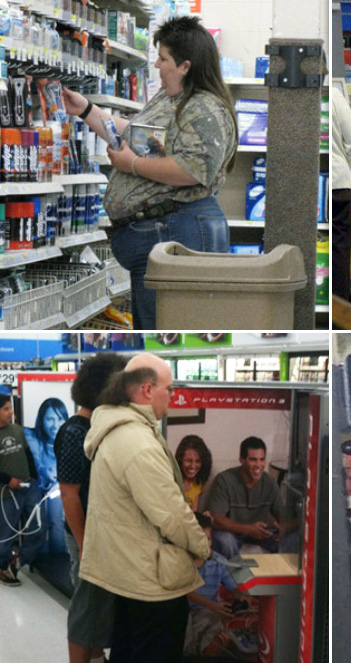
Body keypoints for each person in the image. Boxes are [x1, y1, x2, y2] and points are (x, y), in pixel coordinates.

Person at [62, 16, 238, 330]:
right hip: (166, 230)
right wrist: (87, 110)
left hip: (179, 229)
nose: (156, 64)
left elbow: (193, 169)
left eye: (163, 58)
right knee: (156, 324)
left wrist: (131, 165)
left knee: (169, 327)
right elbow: (137, 137)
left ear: (185, 65)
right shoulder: (174, 99)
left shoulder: (203, 107)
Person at [79, 354, 210, 663]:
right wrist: (202, 546)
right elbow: (171, 513)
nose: (173, 396)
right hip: (151, 581)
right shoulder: (137, 442)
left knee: (128, 649)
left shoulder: (121, 428)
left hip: (129, 570)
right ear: (147, 390)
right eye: (170, 389)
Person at [55, 353, 128, 663]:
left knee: (96, 605)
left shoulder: (94, 426)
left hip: (98, 532)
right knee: (85, 606)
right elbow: (69, 494)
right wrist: (85, 543)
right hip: (86, 535)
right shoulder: (75, 431)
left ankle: (96, 656)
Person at [184, 512, 256, 658]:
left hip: (208, 611)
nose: (206, 544)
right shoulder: (181, 560)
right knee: (185, 633)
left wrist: (240, 596)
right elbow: (186, 593)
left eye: (209, 539)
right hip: (183, 608)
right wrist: (212, 605)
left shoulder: (218, 560)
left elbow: (233, 587)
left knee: (211, 623)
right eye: (200, 540)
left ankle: (212, 646)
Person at [207, 437, 282, 559]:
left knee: (287, 541)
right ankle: (232, 577)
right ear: (242, 460)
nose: (258, 465)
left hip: (260, 532)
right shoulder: (224, 480)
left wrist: (284, 527)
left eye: (262, 459)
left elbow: (284, 516)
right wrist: (248, 529)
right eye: (253, 459)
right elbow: (215, 519)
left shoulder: (270, 482)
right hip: (231, 532)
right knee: (226, 541)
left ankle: (276, 577)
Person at [0, 394, 47, 586]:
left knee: (39, 526)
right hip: (7, 494)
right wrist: (7, 480)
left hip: (29, 488)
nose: (11, 412)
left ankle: (18, 562)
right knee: (5, 535)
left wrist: (34, 478)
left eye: (11, 408)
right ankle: (3, 567)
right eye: (6, 409)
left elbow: (27, 456)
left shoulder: (17, 431)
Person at [25, 397, 68, 553]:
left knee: (57, 520)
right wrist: (45, 471)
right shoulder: (31, 436)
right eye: (50, 419)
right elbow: (37, 461)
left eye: (59, 419)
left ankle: (59, 560)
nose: (55, 425)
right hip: (35, 489)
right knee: (38, 525)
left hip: (57, 490)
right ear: (41, 419)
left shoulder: (69, 439)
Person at [332, 90, 351, 300]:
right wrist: (343, 162)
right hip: (337, 184)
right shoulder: (333, 95)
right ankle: (341, 310)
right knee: (339, 249)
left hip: (306, 186)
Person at [175, 435, 213, 511]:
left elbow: (193, 515)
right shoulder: (171, 481)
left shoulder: (198, 484)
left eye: (197, 461)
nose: (193, 466)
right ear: (180, 461)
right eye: (188, 460)